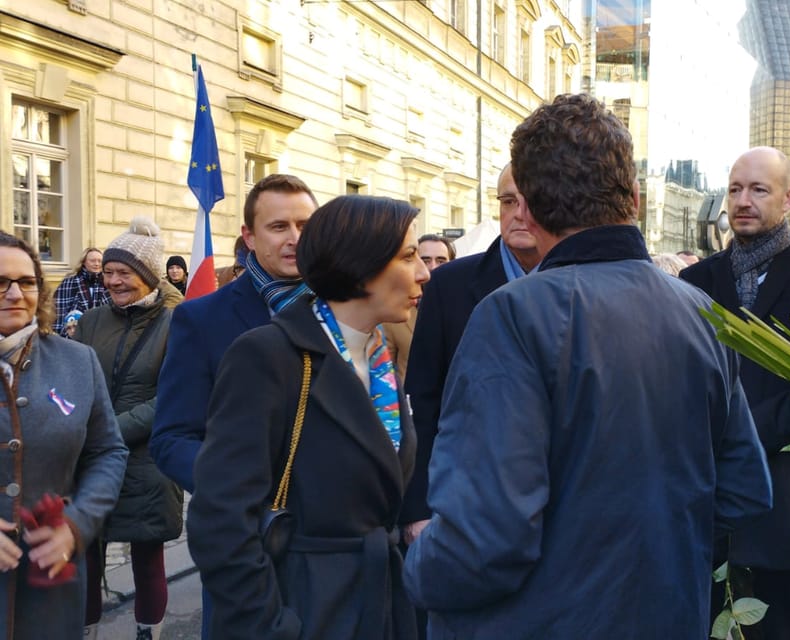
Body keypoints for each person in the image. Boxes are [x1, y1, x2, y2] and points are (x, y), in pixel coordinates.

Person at [403, 94, 772, 638]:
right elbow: (744, 492)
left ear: (525, 207)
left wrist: (414, 570)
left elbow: (483, 540)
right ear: (637, 199)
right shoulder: (700, 312)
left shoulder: (512, 314)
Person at [188, 195, 428, 639]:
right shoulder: (269, 355)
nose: (424, 272)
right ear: (361, 264)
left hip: (381, 605)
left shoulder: (378, 357)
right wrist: (271, 627)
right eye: (409, 256)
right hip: (307, 606)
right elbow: (220, 519)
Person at [680, 146, 790, 640]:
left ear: (789, 197)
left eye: (759, 189)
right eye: (735, 189)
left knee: (780, 629)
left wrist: (738, 437)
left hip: (785, 501)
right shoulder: (696, 280)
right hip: (706, 496)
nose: (743, 200)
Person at [150, 173, 317, 638]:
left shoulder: (341, 310)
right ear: (249, 236)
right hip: (247, 540)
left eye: (304, 225)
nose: (294, 239)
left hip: (330, 544)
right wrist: (236, 486)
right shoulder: (202, 318)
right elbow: (171, 438)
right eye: (278, 226)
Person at [398, 162, 542, 542]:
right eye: (508, 201)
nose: (519, 214)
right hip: (462, 505)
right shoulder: (449, 285)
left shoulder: (580, 282)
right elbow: (422, 400)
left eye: (531, 200)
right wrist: (418, 507)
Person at [0, 232, 127, 638]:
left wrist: (77, 524)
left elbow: (107, 452)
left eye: (27, 281)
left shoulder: (77, 360)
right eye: (0, 282)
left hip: (51, 587)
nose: (15, 294)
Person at [74, 217, 183, 640]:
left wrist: (106, 433)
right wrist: (66, 418)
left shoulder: (177, 324)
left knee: (147, 554)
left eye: (125, 273)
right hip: (89, 459)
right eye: (109, 272)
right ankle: (85, 630)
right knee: (85, 554)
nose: (114, 281)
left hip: (149, 460)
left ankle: (147, 633)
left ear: (149, 276)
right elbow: (72, 384)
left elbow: (170, 399)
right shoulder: (91, 322)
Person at [382, 233, 456, 381]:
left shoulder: (462, 309)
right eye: (425, 260)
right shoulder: (394, 314)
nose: (433, 267)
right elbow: (385, 373)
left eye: (441, 261)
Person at [52, 247, 109, 337]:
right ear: (84, 262)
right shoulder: (70, 281)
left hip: (101, 334)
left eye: (99, 261)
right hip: (73, 333)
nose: (97, 264)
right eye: (92, 261)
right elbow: (59, 309)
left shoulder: (108, 282)